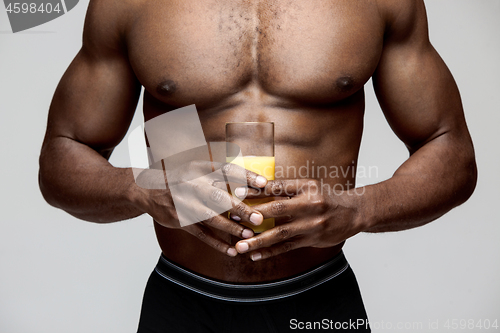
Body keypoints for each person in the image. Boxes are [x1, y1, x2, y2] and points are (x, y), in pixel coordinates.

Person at [38, 0, 477, 332]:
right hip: (184, 299)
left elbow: (452, 152)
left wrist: (361, 208)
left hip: (319, 299)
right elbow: (61, 157)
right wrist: (139, 187)